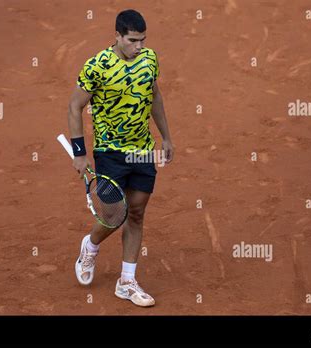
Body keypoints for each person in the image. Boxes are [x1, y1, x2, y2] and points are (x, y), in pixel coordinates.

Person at [67, 9, 173, 307]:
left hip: (141, 151)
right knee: (115, 215)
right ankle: (90, 246)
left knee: (137, 213)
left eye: (142, 40)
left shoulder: (149, 60)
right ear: (117, 36)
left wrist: (166, 137)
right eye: (132, 40)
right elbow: (74, 107)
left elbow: (155, 97)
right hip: (109, 152)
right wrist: (80, 153)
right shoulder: (97, 66)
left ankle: (126, 282)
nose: (138, 46)